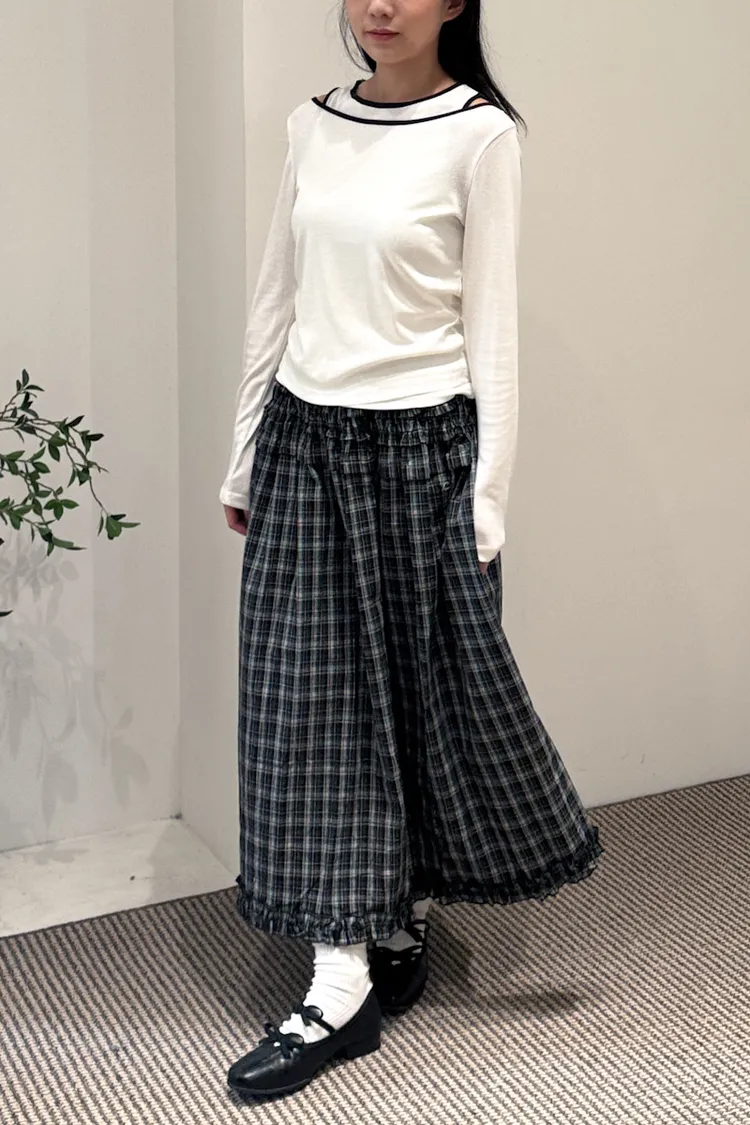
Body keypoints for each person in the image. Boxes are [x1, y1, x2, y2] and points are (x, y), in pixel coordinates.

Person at [220, 0, 604, 1101]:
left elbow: (493, 327)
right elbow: (276, 297)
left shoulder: (480, 135)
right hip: (306, 444)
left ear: (456, 4)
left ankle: (400, 914)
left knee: (423, 697)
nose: (380, 5)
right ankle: (339, 980)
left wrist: (488, 499)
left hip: (424, 452)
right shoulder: (311, 124)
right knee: (311, 713)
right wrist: (244, 457)